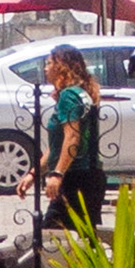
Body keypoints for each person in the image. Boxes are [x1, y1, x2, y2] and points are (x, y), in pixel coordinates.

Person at [38, 43, 104, 230]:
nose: (45, 68)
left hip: (75, 177)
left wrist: (57, 174)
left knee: (52, 237)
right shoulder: (80, 93)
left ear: (61, 67)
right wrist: (34, 174)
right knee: (84, 240)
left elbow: (72, 138)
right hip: (90, 176)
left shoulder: (68, 96)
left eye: (49, 63)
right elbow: (57, 145)